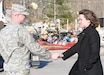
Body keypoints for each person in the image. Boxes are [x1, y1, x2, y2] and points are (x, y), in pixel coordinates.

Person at [0, 4, 53, 75]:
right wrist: (49, 55)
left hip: (8, 69)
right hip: (21, 69)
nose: (25, 18)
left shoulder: (3, 31)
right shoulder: (21, 31)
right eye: (24, 15)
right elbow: (34, 48)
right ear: (17, 15)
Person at [52, 9, 103, 75]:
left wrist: (87, 65)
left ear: (88, 20)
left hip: (90, 70)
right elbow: (76, 47)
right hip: (82, 67)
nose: (79, 22)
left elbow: (94, 53)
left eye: (81, 20)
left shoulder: (92, 33)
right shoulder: (85, 33)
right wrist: (62, 55)